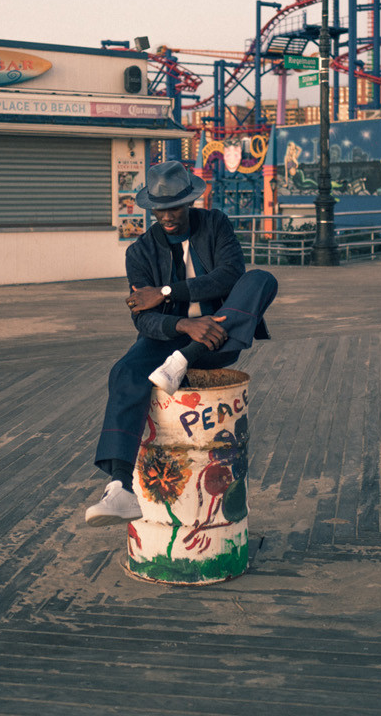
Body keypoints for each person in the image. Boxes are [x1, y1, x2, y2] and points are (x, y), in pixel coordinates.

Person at [85, 161, 277, 526]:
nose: (168, 215)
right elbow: (142, 317)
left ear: (190, 201)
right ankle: (119, 488)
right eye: (160, 208)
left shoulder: (215, 223)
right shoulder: (139, 253)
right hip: (167, 342)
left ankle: (183, 362)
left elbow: (229, 275)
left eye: (175, 206)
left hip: (219, 335)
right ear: (150, 208)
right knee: (125, 371)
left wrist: (168, 292)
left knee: (260, 278)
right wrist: (185, 324)